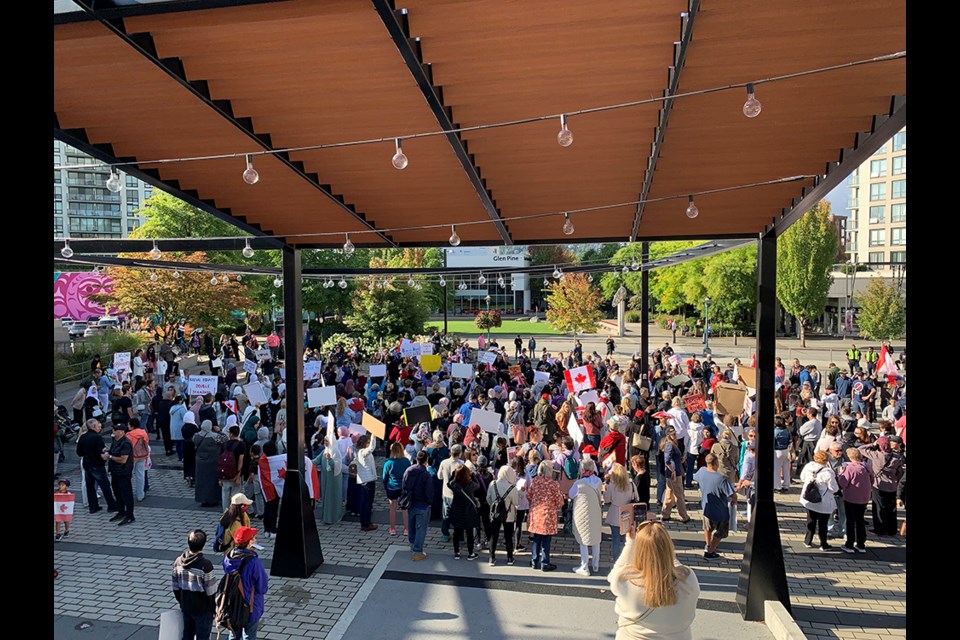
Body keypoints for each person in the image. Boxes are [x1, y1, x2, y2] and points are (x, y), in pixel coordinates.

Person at [608, 521, 700, 639]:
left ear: (639, 551)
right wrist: (661, 543)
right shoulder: (688, 578)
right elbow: (674, 565)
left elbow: (613, 575)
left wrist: (631, 543)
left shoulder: (627, 581)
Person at [221, 526, 269, 640]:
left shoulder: (229, 557)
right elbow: (262, 587)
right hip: (250, 606)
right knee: (249, 635)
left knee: (233, 633)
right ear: (249, 543)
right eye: (254, 538)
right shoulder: (254, 562)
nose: (256, 540)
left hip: (232, 604)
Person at [172, 529, 218, 640]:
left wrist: (182, 601)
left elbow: (175, 587)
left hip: (186, 606)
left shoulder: (178, 561)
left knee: (187, 634)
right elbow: (211, 592)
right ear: (203, 544)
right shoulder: (205, 565)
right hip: (203, 610)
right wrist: (214, 609)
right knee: (203, 636)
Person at [858, 435, 905, 536]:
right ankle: (891, 529)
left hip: (878, 485)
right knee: (891, 508)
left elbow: (860, 449)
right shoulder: (897, 457)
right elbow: (900, 472)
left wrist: (873, 444)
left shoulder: (876, 455)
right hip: (892, 486)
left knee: (879, 508)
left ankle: (879, 529)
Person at [693, 454, 736, 560]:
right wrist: (734, 502)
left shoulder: (702, 471)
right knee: (720, 532)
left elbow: (695, 478)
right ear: (716, 463)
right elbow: (733, 495)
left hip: (706, 508)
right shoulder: (721, 479)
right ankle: (710, 551)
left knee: (707, 528)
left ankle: (708, 545)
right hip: (720, 511)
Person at [526, 459, 563, 571]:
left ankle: (534, 560)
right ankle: (545, 562)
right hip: (548, 514)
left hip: (536, 513)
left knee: (536, 539)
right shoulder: (553, 484)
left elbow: (529, 495)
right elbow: (559, 501)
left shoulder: (535, 481)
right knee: (546, 540)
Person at [75, 418, 119, 514]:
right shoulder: (97, 437)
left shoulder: (83, 437)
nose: (100, 428)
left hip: (87, 464)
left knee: (90, 486)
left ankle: (93, 507)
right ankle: (111, 505)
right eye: (98, 426)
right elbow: (101, 450)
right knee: (105, 485)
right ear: (94, 426)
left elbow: (79, 452)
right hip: (97, 464)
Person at [799, 449, 839, 550]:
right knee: (823, 524)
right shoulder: (828, 472)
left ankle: (807, 540)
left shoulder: (808, 467)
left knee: (810, 520)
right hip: (823, 502)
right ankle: (823, 544)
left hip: (809, 499)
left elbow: (802, 478)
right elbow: (833, 488)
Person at [836, 448, 874, 553]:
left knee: (850, 521)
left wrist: (840, 474)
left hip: (851, 497)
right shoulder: (867, 466)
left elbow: (843, 483)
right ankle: (861, 544)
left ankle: (849, 544)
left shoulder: (850, 468)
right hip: (864, 497)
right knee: (860, 520)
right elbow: (872, 479)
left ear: (850, 457)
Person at [570, 458, 603, 576]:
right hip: (595, 512)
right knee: (595, 539)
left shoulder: (579, 483)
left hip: (582, 513)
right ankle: (595, 564)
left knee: (583, 540)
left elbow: (571, 494)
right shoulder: (598, 481)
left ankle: (584, 566)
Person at [402, 449, 434, 561]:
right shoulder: (426, 474)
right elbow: (429, 491)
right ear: (426, 460)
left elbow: (404, 486)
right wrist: (430, 503)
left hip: (410, 503)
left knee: (411, 525)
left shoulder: (409, 470)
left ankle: (412, 544)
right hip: (422, 505)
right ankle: (417, 550)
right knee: (421, 528)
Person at [604, 462, 638, 564]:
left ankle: (616, 561)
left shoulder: (612, 485)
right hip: (627, 513)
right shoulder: (631, 484)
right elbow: (636, 498)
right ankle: (627, 560)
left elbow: (606, 500)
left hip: (614, 513)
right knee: (626, 539)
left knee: (615, 540)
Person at [487, 463, 520, 566]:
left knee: (494, 536)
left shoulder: (493, 484)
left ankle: (491, 558)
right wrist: (522, 494)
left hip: (495, 514)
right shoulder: (512, 488)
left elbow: (488, 498)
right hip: (508, 515)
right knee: (508, 536)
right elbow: (516, 503)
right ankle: (510, 558)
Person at [448, 465, 481, 560]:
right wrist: (473, 474)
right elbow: (477, 485)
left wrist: (454, 474)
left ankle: (456, 552)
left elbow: (448, 483)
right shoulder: (470, 485)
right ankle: (471, 553)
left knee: (457, 532)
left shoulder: (454, 485)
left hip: (457, 510)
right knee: (469, 533)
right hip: (468, 511)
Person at [106, 421, 136, 525]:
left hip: (123, 472)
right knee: (117, 493)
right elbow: (113, 452)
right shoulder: (115, 440)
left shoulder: (126, 443)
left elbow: (123, 459)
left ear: (122, 432)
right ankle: (121, 512)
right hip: (115, 472)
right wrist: (107, 451)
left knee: (126, 494)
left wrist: (109, 457)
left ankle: (130, 515)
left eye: (115, 430)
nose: (113, 431)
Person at [659, 427, 690, 523]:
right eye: (673, 434)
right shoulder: (669, 444)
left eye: (675, 433)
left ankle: (665, 514)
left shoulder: (673, 443)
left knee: (669, 494)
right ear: (668, 435)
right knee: (679, 495)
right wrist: (673, 471)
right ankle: (684, 516)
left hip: (674, 471)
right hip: (674, 473)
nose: (675, 435)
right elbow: (667, 460)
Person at [315, 431, 345, 525]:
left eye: (327, 441)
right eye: (324, 441)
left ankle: (333, 517)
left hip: (333, 479)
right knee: (326, 497)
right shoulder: (325, 451)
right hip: (325, 478)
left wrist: (330, 459)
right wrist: (306, 461)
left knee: (332, 497)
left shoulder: (335, 452)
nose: (325, 443)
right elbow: (317, 461)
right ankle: (326, 517)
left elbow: (336, 466)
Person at [437, 443, 465, 542]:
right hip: (457, 495)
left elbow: (439, 476)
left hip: (446, 493)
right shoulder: (462, 464)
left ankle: (445, 534)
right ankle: (460, 537)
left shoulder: (444, 462)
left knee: (446, 515)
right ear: (460, 453)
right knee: (459, 516)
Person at [382, 442, 411, 536]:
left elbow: (384, 477)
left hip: (392, 486)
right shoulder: (406, 461)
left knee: (392, 508)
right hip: (403, 487)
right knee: (405, 509)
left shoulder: (388, 462)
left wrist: (385, 487)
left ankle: (392, 528)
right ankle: (406, 529)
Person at [194, 420, 224, 507]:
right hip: (213, 462)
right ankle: (213, 499)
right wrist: (219, 431)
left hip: (200, 462)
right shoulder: (215, 436)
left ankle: (202, 499)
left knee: (201, 481)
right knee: (212, 481)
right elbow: (225, 439)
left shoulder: (196, 436)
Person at [219, 426, 247, 511]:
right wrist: (239, 475)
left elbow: (220, 461)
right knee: (235, 495)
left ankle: (226, 514)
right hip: (235, 474)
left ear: (230, 434)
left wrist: (219, 478)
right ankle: (234, 514)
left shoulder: (224, 444)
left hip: (225, 475)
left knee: (225, 495)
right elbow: (240, 461)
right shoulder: (241, 445)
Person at [355, 434, 379, 532]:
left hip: (365, 480)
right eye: (368, 442)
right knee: (367, 503)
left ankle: (365, 522)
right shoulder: (363, 452)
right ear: (365, 443)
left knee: (365, 503)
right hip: (368, 481)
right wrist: (374, 436)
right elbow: (371, 448)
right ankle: (366, 523)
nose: (369, 444)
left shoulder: (359, 452)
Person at [126, 418, 151, 502]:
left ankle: (127, 494)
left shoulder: (129, 435)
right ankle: (140, 495)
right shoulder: (143, 433)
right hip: (143, 456)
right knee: (140, 475)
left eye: (129, 424)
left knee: (128, 476)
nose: (127, 426)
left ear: (132, 426)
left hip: (132, 458)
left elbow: (128, 447)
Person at [796, 407, 822, 475]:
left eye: (807, 413)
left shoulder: (810, 423)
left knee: (805, 460)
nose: (806, 414)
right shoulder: (818, 422)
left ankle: (805, 474)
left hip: (808, 443)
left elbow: (800, 432)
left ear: (810, 414)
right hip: (815, 442)